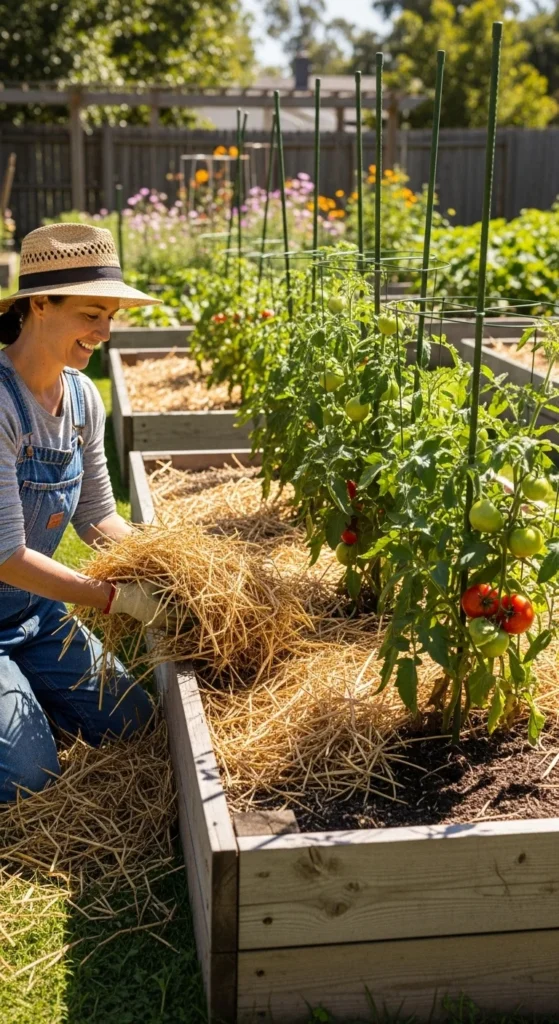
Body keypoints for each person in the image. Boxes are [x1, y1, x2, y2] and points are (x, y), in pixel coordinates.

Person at [0, 222, 169, 803]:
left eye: (110, 317)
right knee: (28, 778)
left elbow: (98, 516)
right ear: (40, 304)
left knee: (134, 722)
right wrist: (110, 599)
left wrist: (162, 564)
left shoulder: (81, 398)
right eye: (90, 314)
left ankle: (28, 688)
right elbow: (6, 556)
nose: (103, 331)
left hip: (37, 617)